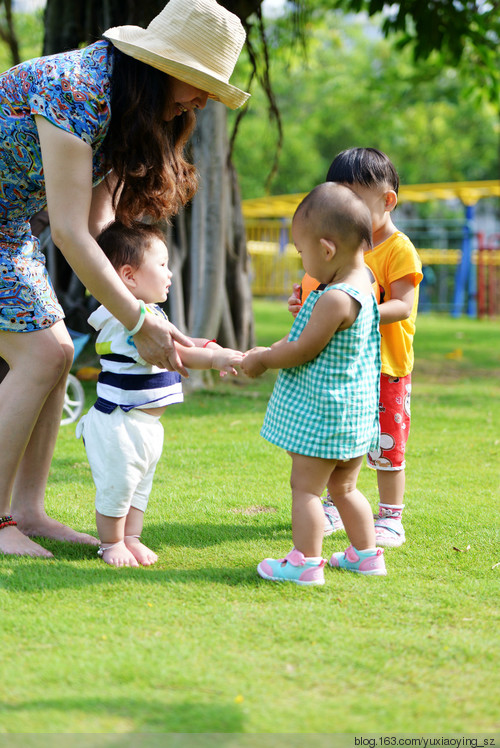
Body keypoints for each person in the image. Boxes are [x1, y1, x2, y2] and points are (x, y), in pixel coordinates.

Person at [0, 0, 250, 557]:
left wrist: (151, 314)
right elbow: (67, 231)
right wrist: (136, 321)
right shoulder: (78, 91)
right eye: (198, 83)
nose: (203, 99)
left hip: (7, 228)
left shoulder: (121, 107)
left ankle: (27, 512)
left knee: (57, 355)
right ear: (162, 67)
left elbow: (99, 226)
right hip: (7, 228)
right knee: (43, 353)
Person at [242, 182, 385, 586]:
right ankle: (367, 555)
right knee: (346, 486)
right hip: (354, 414)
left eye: (302, 252)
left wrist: (263, 359)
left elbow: (302, 349)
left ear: (326, 249)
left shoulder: (335, 298)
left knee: (306, 490)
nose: (303, 262)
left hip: (325, 414)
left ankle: (305, 563)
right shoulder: (365, 283)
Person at [77, 220, 244, 567]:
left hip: (144, 425)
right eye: (162, 265)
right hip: (119, 424)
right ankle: (111, 543)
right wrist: (213, 358)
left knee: (139, 488)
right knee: (119, 487)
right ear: (129, 276)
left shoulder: (147, 315)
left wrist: (216, 348)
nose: (170, 274)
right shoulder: (124, 321)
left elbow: (182, 342)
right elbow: (179, 354)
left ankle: (131, 538)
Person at [290, 148, 422, 547]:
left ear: (387, 201)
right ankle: (333, 505)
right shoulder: (339, 248)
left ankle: (391, 517)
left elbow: (402, 306)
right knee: (339, 439)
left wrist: (357, 312)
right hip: (343, 368)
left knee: (386, 446)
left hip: (385, 366)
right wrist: (303, 305)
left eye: (355, 203)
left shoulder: (398, 249)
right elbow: (317, 294)